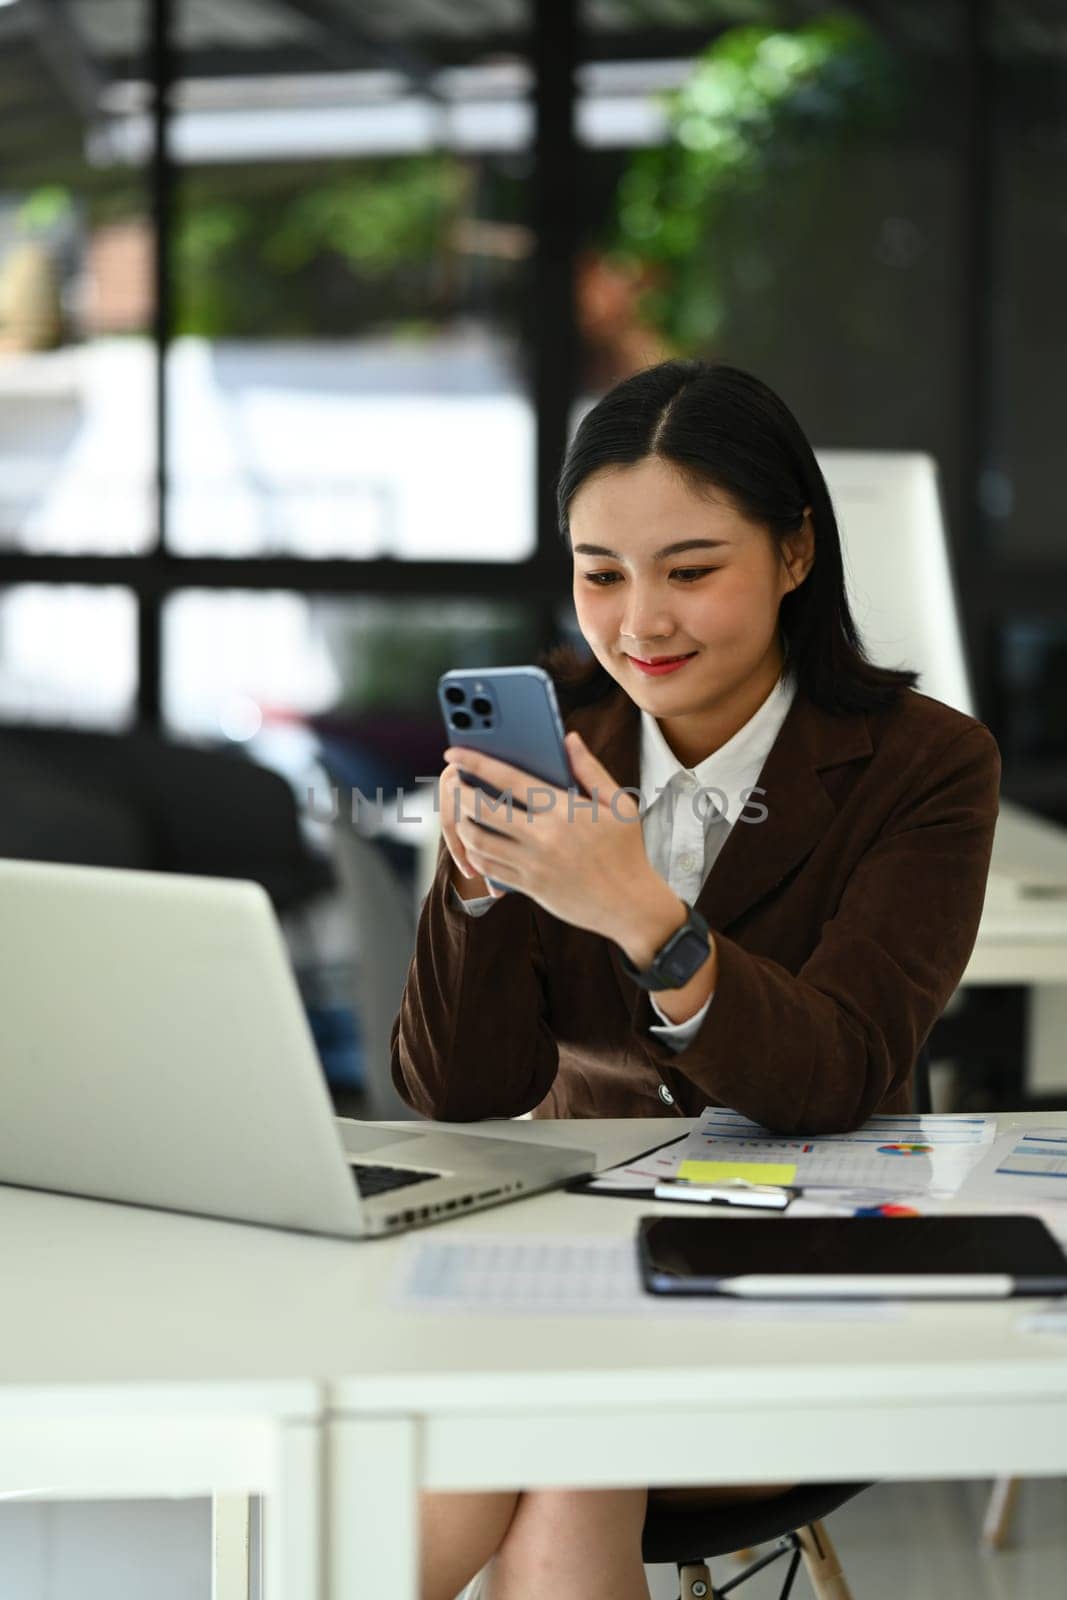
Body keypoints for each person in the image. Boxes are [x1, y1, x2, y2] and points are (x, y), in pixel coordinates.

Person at [391, 359, 1001, 1600]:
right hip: (561, 1269)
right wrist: (472, 888)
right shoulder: (554, 733)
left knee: (534, 1441)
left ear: (792, 555)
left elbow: (834, 1075)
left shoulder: (924, 768)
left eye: (688, 569)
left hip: (806, 1278)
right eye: (599, 573)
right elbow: (458, 1093)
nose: (637, 624)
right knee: (516, 1437)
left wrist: (651, 924)